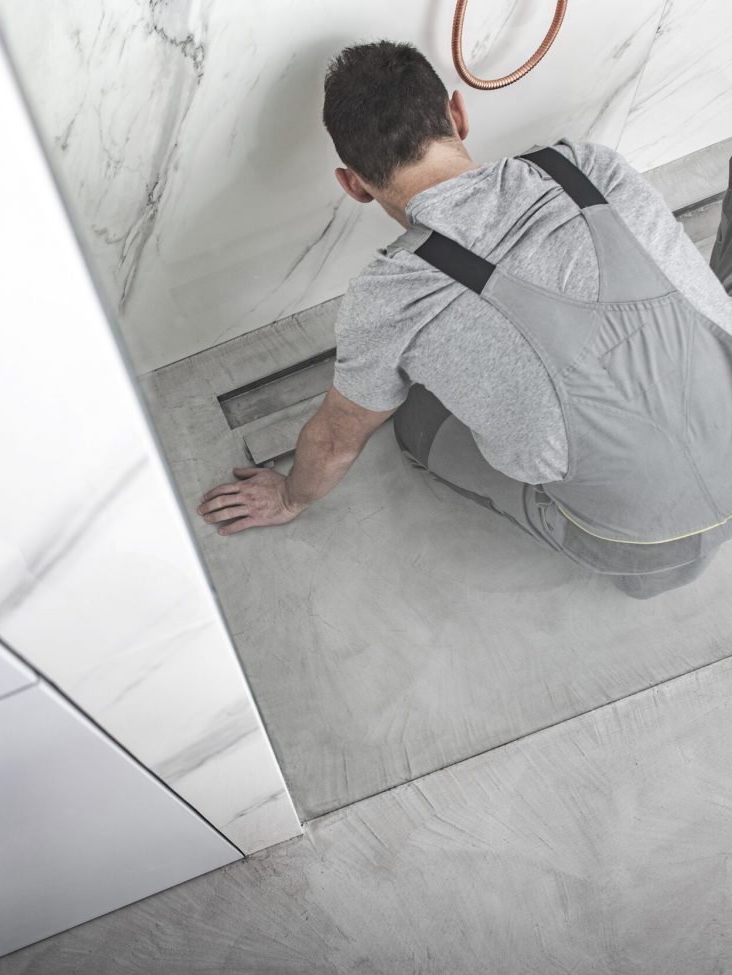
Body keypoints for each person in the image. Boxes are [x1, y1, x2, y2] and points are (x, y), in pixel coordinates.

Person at [196, 40, 732, 599]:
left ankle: (650, 561)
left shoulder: (389, 300)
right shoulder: (587, 167)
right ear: (458, 114)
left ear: (352, 184)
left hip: (641, 544)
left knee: (415, 421)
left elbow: (335, 443)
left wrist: (289, 497)